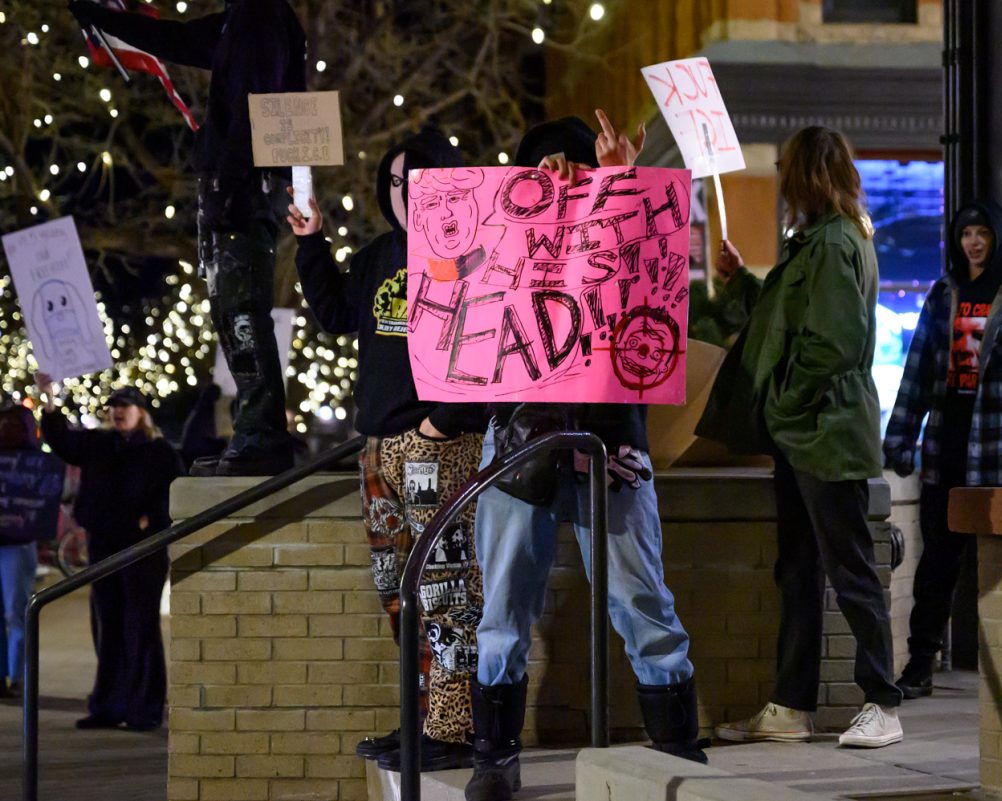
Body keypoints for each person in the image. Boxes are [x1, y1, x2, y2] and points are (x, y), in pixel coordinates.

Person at [467, 112, 702, 801]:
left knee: (640, 597)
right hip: (519, 435)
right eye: (541, 168)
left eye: (570, 166)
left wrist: (620, 183)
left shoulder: (617, 231)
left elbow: (659, 271)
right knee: (504, 602)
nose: (559, 176)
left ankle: (678, 748)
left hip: (612, 439)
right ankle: (494, 754)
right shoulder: (503, 239)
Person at [288, 127, 487, 774]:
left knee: (446, 590)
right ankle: (421, 718)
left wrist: (443, 421)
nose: (407, 194)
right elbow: (336, 313)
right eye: (396, 183)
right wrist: (311, 240)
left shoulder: (469, 252)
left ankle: (454, 727)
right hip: (377, 451)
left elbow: (487, 341)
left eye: (419, 181)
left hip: (437, 447)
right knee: (399, 593)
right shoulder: (380, 255)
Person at [697, 126, 904, 748]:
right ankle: (791, 706)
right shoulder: (817, 240)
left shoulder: (835, 242)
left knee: (849, 568)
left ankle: (882, 702)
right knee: (800, 569)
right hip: (808, 433)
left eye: (787, 170)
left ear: (806, 174)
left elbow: (832, 343)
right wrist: (740, 283)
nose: (781, 181)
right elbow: (788, 318)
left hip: (825, 433)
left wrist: (785, 408)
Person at [69, 0, 307, 476]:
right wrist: (108, 20)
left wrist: (230, 180)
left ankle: (262, 435)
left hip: (243, 188)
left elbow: (252, 103)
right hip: (239, 185)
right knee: (231, 312)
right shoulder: (245, 16)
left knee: (241, 312)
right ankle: (256, 431)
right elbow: (177, 40)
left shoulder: (259, 15)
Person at [883, 200, 1002, 698]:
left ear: (998, 237)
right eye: (966, 233)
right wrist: (900, 436)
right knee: (937, 564)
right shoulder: (944, 295)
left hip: (1001, 456)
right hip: (946, 450)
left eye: (982, 233)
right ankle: (920, 665)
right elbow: (918, 369)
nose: (973, 242)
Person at [36, 376, 182, 730]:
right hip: (104, 545)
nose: (117, 413)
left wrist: (153, 517)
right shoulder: (99, 444)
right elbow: (64, 443)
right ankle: (109, 705)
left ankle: (144, 709)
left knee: (140, 625)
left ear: (141, 413)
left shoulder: (160, 451)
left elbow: (174, 491)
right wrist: (49, 401)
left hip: (143, 549)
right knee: (109, 624)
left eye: (125, 407)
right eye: (113, 407)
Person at [0, 404, 44, 698]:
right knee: (16, 613)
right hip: (15, 544)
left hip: (17, 544)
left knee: (17, 613)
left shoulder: (36, 463)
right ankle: (12, 676)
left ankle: (17, 676)